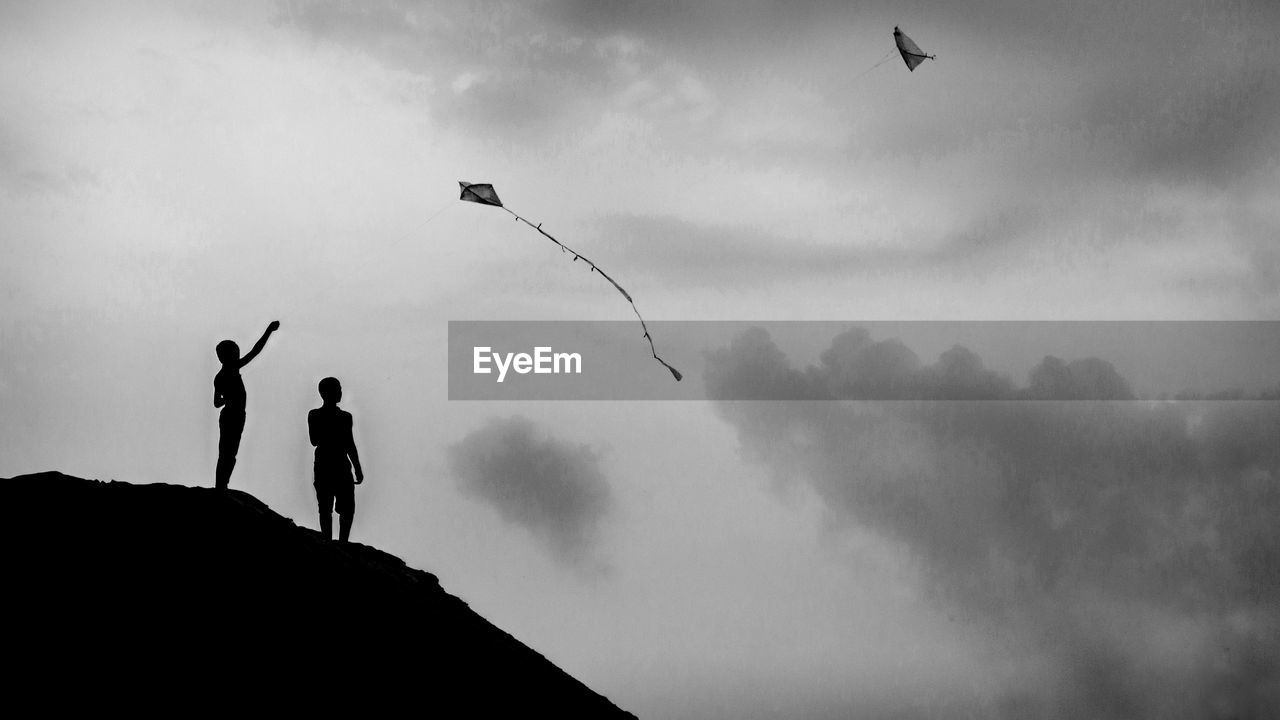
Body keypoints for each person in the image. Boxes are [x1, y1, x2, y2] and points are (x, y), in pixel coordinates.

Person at [213, 321, 280, 489]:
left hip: (237, 414)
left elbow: (216, 402)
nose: (238, 356)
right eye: (235, 353)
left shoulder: (225, 373)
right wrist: (268, 331)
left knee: (230, 452)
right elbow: (216, 402)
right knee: (227, 452)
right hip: (231, 415)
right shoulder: (225, 374)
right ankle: (221, 485)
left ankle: (222, 484)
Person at [308, 377, 364, 542]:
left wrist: (357, 468)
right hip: (328, 463)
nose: (340, 392)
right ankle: (330, 541)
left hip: (336, 463)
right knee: (327, 506)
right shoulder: (317, 415)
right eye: (337, 389)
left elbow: (349, 444)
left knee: (345, 507)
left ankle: (341, 542)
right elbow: (315, 440)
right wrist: (357, 468)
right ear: (325, 393)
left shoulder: (344, 416)